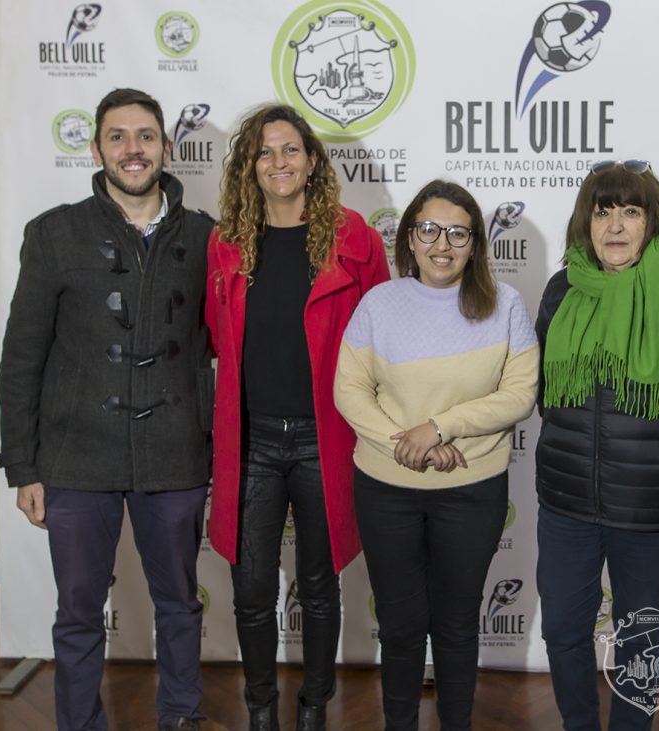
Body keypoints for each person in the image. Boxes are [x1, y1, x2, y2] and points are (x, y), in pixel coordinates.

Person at [0, 88, 213, 731]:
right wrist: (22, 465)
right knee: (79, 611)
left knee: (178, 604)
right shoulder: (53, 233)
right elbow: (20, 358)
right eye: (117, 137)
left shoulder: (207, 237)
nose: (132, 149)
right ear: (95, 149)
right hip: (73, 456)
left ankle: (180, 717)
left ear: (167, 148)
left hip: (174, 450)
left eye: (145, 136)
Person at [205, 104, 389, 731]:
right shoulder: (227, 241)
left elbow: (381, 333)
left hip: (324, 438)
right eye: (263, 152)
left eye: (289, 150)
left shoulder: (353, 237)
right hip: (252, 440)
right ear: (248, 167)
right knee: (251, 589)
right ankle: (261, 710)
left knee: (318, 585)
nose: (277, 162)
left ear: (312, 161)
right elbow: (214, 334)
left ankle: (313, 708)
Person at [334, 179, 538, 731]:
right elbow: (349, 390)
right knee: (400, 625)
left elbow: (519, 394)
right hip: (386, 490)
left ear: (475, 243)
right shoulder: (380, 303)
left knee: (455, 624)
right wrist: (412, 446)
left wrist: (440, 430)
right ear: (409, 238)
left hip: (471, 491)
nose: (441, 244)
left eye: (457, 232)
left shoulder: (506, 305)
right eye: (428, 229)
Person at [535, 159, 659, 730]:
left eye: (631, 211)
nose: (615, 225)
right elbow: (544, 389)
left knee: (641, 641)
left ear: (655, 221)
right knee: (563, 628)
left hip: (652, 507)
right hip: (567, 503)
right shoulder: (563, 287)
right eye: (602, 211)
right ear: (584, 224)